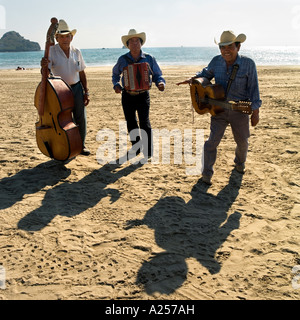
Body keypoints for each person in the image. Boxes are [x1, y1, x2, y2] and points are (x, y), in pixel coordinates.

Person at [178, 30, 261, 185]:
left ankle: (240, 163)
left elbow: (254, 89)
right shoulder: (216, 61)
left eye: (230, 46)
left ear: (238, 47)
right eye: (222, 47)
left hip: (240, 110)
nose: (225, 50)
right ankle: (207, 173)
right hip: (218, 111)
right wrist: (192, 80)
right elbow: (206, 74)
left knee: (242, 141)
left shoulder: (248, 64)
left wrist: (255, 112)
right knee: (211, 142)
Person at [112, 29, 166, 158]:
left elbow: (158, 75)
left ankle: (148, 151)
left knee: (144, 122)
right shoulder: (123, 59)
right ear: (128, 44)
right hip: (127, 95)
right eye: (132, 41)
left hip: (143, 95)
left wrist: (160, 83)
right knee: (131, 122)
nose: (135, 43)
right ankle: (136, 148)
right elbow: (115, 75)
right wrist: (116, 85)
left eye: (137, 41)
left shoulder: (149, 58)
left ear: (141, 43)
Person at [41, 19, 90, 156]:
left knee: (81, 118)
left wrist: (86, 91)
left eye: (67, 36)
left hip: (77, 88)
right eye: (61, 36)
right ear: (56, 38)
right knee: (66, 119)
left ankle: (81, 145)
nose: (65, 39)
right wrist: (43, 66)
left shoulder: (77, 51)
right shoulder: (51, 51)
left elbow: (81, 72)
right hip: (60, 90)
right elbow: (46, 72)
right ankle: (68, 144)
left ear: (71, 37)